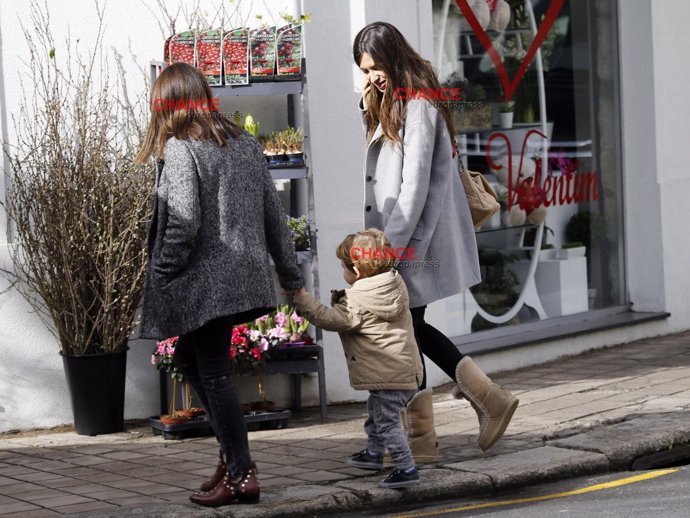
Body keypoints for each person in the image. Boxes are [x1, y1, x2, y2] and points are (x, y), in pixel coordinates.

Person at [135, 62, 304, 507]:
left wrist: (163, 270)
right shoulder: (245, 143)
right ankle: (232, 459)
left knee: (210, 370)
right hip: (242, 277)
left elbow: (184, 224)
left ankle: (241, 473)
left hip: (206, 284)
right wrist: (289, 275)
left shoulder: (180, 149)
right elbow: (275, 217)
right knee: (193, 361)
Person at [352, 22, 519, 453]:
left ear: (392, 57)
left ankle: (461, 416)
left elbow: (415, 186)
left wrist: (388, 251)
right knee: (411, 330)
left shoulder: (421, 105)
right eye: (364, 70)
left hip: (410, 242)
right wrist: (370, 102)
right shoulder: (397, 102)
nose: (370, 76)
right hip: (402, 240)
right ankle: (448, 424)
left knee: (410, 331)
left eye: (374, 67)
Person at [292, 229, 424, 489]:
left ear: (358, 270)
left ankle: (406, 467)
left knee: (387, 423)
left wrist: (305, 301)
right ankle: (374, 453)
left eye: (343, 267)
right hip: (404, 371)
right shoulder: (394, 284)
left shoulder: (357, 297)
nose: (343, 272)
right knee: (377, 412)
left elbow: (334, 320)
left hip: (388, 375)